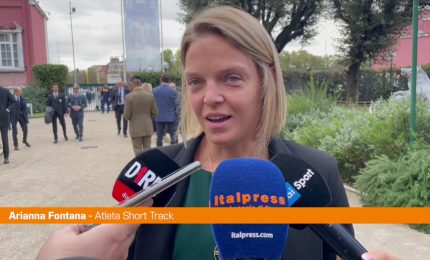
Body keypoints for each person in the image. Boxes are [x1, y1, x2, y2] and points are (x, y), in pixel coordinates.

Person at [36, 6, 401, 260]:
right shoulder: (153, 176)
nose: (210, 97)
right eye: (196, 81)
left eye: (232, 78)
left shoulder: (315, 170)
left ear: (267, 81)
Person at [124, 76, 158, 155]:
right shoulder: (150, 96)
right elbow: (155, 111)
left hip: (135, 127)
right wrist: (148, 117)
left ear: (132, 84)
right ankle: (148, 164)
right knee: (147, 149)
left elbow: (126, 115)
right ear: (141, 84)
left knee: (137, 149)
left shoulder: (129, 97)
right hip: (147, 125)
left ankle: (141, 165)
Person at [152, 73, 178, 146]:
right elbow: (177, 105)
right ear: (169, 80)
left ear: (160, 80)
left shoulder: (154, 91)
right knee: (174, 137)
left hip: (158, 116)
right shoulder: (174, 92)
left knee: (159, 137)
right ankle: (174, 152)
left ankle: (159, 152)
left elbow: (152, 104)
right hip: (171, 116)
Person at [0, 86, 16, 164]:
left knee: (4, 139)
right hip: (4, 117)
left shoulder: (6, 91)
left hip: (4, 118)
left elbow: (14, 101)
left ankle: (6, 157)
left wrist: (8, 109)